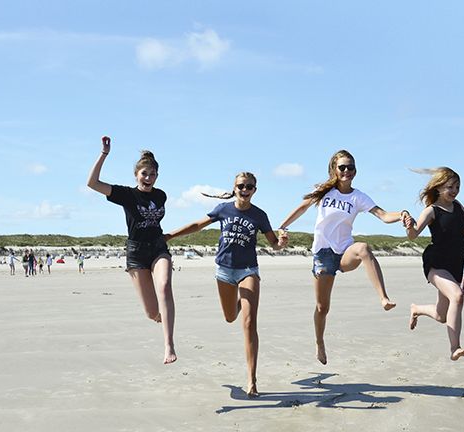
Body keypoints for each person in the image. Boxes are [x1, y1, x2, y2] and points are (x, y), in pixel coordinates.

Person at [279, 150, 410, 365]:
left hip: (345, 252)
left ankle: (383, 298)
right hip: (323, 254)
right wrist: (283, 226)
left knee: (364, 249)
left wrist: (402, 214)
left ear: (355, 171)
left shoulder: (358, 197)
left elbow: (384, 215)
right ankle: (319, 342)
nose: (347, 171)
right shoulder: (323, 192)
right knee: (322, 307)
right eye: (342, 167)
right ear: (334, 170)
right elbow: (302, 208)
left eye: (351, 167)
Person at [166, 172, 288, 397]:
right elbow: (196, 225)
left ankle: (252, 380)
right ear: (235, 188)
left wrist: (281, 242)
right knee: (230, 316)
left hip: (248, 270)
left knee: (249, 323)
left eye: (249, 186)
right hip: (224, 271)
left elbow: (274, 244)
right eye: (241, 185)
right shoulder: (223, 209)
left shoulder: (259, 215)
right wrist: (169, 236)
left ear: (254, 190)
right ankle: (241, 299)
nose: (245, 189)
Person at [87, 135, 178, 365]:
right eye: (144, 174)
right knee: (151, 313)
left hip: (158, 247)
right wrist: (104, 154)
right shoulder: (126, 195)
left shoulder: (161, 195)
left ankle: (169, 345)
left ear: (157, 176)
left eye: (153, 174)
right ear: (136, 175)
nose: (148, 178)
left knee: (165, 286)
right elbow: (93, 183)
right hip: (136, 253)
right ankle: (160, 317)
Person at [404, 168, 464, 360]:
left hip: (455, 263)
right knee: (458, 296)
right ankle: (455, 347)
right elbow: (413, 236)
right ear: (438, 188)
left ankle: (416, 309)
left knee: (442, 315)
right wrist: (409, 225)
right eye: (450, 187)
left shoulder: (458, 205)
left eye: (457, 187)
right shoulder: (431, 210)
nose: (454, 191)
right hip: (436, 262)